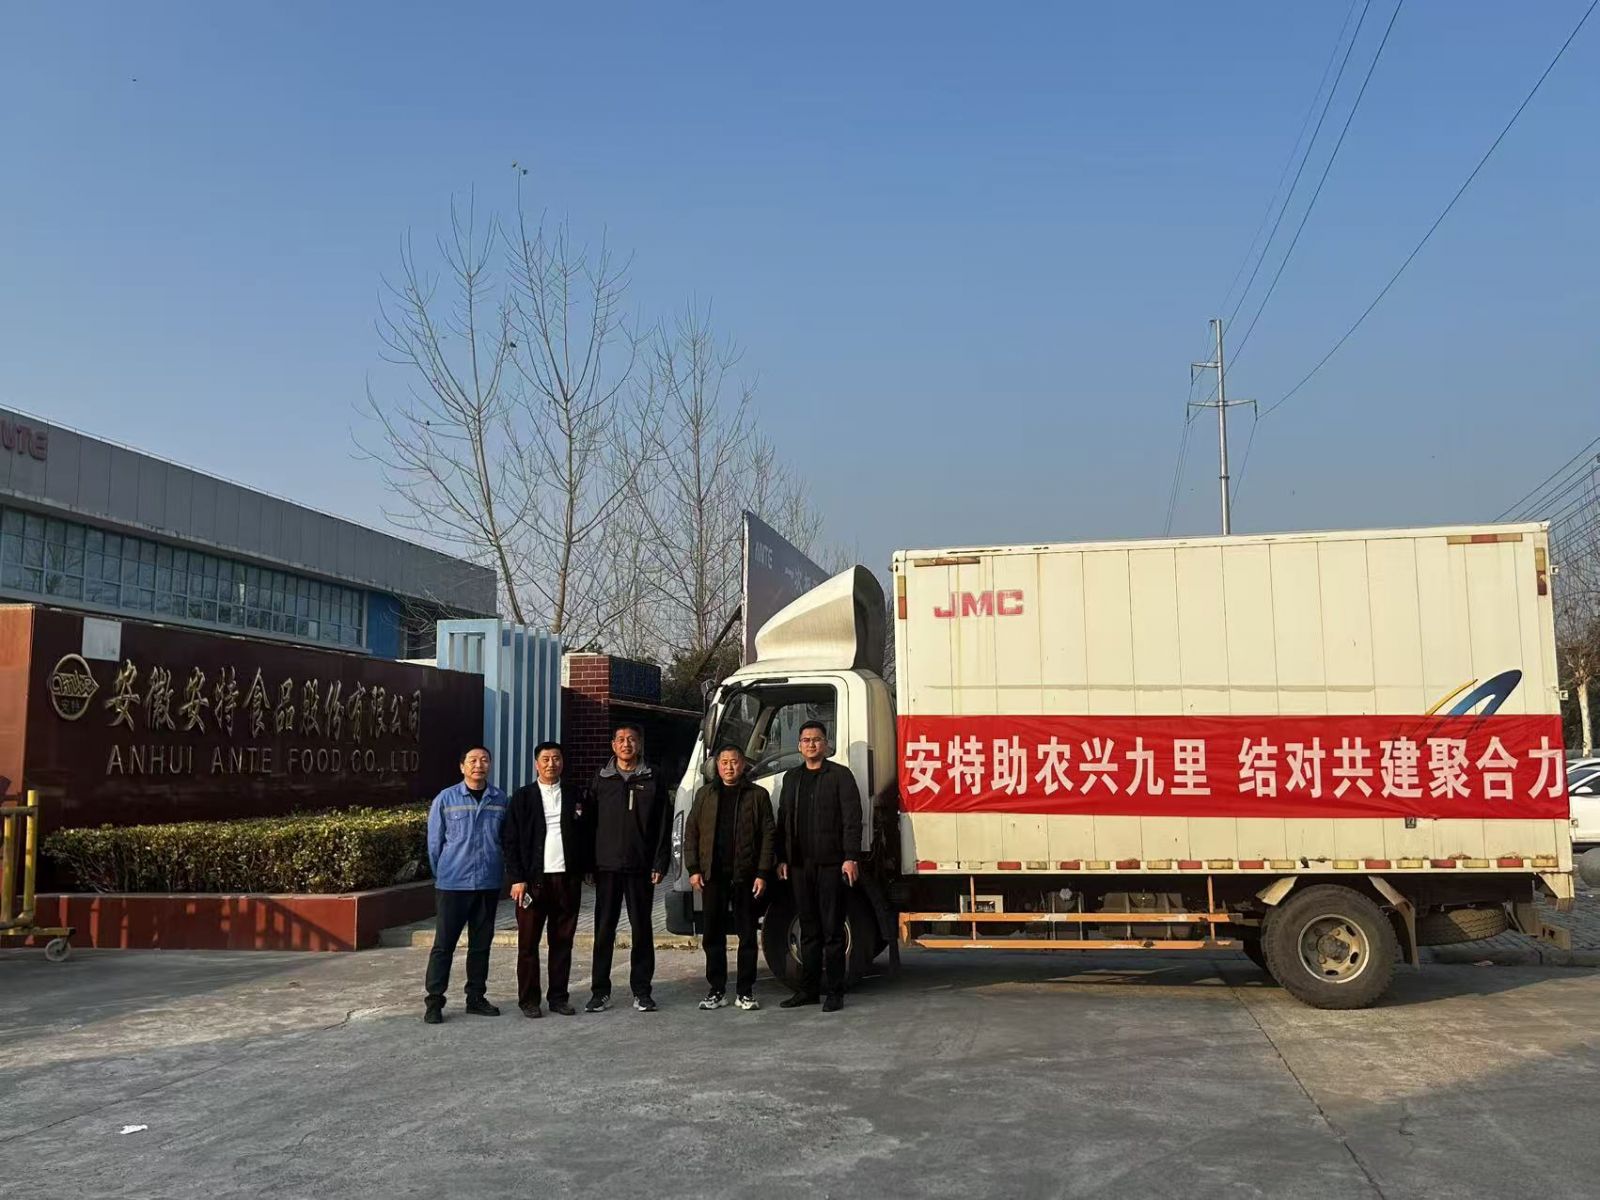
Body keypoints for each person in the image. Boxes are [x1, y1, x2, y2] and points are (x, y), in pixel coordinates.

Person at [774, 721, 862, 1012]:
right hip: (800, 865)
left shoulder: (840, 776)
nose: (811, 744)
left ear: (826, 744)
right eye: (806, 740)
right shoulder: (792, 778)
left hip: (831, 864)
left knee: (832, 930)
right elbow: (784, 819)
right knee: (808, 929)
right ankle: (808, 990)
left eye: (817, 739)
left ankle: (835, 991)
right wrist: (782, 858)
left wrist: (850, 857)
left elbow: (852, 818)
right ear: (799, 746)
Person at [585, 723, 671, 1013]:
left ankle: (642, 991)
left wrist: (660, 861)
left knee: (642, 930)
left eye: (631, 739)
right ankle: (600, 992)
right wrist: (589, 864)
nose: (626, 744)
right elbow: (589, 824)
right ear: (613, 745)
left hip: (640, 866)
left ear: (639, 744)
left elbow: (663, 823)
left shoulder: (652, 776)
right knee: (603, 931)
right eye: (621, 739)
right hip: (607, 866)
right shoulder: (601, 778)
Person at [500, 740, 589, 1019]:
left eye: (556, 758)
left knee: (562, 942)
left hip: (566, 881)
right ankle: (529, 1000)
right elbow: (510, 840)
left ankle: (558, 998)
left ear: (563, 762)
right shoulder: (523, 797)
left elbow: (587, 834)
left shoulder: (575, 794)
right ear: (536, 764)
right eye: (546, 759)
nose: (552, 764)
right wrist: (516, 878)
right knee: (528, 944)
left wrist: (585, 870)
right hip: (532, 882)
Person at [685, 743, 775, 1011]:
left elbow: (768, 835)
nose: (729, 767)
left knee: (747, 936)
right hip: (713, 876)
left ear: (743, 764)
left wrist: (762, 872)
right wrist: (693, 869)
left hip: (746, 876)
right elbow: (692, 832)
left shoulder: (757, 795)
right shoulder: (705, 794)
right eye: (724, 762)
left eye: (734, 762)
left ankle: (745, 991)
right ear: (717, 765)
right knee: (713, 935)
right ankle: (716, 990)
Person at [423, 746, 510, 1024]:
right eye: (472, 760)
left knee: (481, 945)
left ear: (490, 765)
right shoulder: (446, 798)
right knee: (444, 945)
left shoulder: (500, 799)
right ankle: (434, 1001)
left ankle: (476, 998)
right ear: (462, 767)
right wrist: (444, 873)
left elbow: (505, 839)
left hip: (487, 882)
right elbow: (435, 843)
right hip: (453, 884)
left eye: (484, 760)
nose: (478, 765)